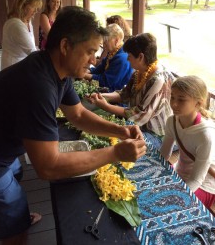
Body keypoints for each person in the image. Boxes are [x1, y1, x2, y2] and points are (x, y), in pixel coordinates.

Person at [0, 6, 146, 245]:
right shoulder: (38, 85)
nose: (95, 60)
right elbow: (48, 167)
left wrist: (120, 130)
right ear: (65, 46)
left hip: (5, 147)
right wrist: (115, 152)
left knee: (15, 183)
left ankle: (13, 217)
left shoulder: (55, 69)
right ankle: (13, 224)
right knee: (14, 223)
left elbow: (77, 115)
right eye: (89, 51)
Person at [87, 33, 175, 149]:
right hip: (138, 126)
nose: (127, 58)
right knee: (101, 128)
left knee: (115, 143)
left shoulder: (158, 80)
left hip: (158, 135)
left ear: (140, 57)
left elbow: (139, 115)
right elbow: (124, 94)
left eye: (129, 55)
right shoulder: (139, 72)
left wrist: (105, 106)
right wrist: (101, 96)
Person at [160, 75, 215, 212]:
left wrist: (175, 193)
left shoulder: (205, 135)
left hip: (204, 185)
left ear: (198, 103)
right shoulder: (172, 121)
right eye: (172, 97)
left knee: (170, 205)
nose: (174, 104)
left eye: (181, 100)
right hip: (180, 172)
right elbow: (163, 156)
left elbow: (196, 179)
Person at [84, 23, 133, 92]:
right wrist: (88, 71)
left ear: (116, 41)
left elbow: (106, 82)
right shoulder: (114, 51)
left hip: (114, 95)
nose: (104, 45)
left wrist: (84, 75)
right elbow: (101, 68)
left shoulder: (122, 58)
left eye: (106, 41)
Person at [1, 0, 42, 70]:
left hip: (22, 64)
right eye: (33, 7)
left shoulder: (27, 20)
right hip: (13, 68)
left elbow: (32, 46)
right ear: (22, 5)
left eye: (37, 8)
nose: (36, 11)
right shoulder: (15, 24)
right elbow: (32, 51)